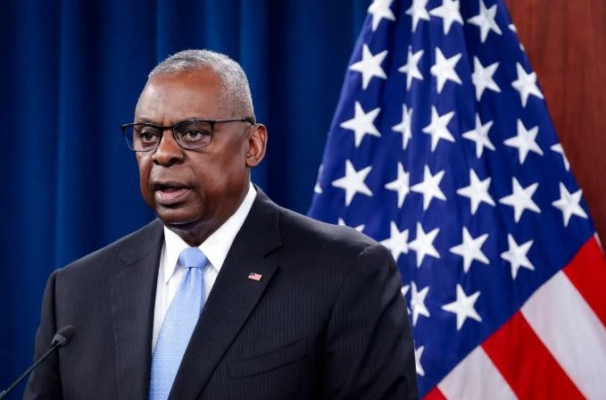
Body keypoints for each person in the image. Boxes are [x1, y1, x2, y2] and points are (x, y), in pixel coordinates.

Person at [24, 49, 418, 400]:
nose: (163, 155)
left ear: (253, 146)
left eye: (192, 133)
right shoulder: (75, 291)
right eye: (147, 135)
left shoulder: (346, 271)